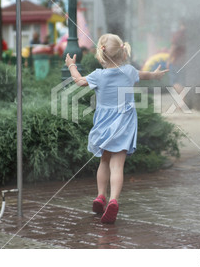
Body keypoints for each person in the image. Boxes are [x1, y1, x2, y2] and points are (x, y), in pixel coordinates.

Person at [65, 33, 168, 224]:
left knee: (104, 161)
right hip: (124, 123)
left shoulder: (98, 75)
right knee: (117, 165)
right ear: (122, 51)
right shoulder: (129, 71)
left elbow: (78, 81)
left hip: (104, 123)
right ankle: (113, 201)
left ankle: (100, 196)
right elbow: (144, 75)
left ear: (101, 55)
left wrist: (71, 64)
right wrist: (155, 75)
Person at [167, 18, 186, 95]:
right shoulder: (190, 34)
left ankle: (185, 98)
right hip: (187, 61)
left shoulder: (179, 34)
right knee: (182, 82)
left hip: (177, 62)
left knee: (174, 82)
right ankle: (183, 102)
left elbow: (173, 47)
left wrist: (168, 60)